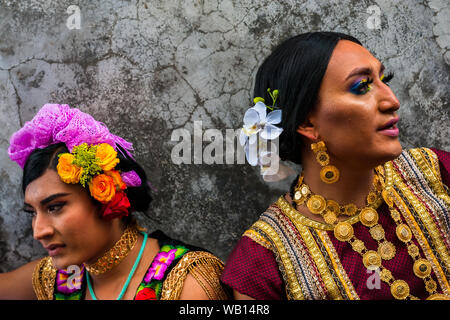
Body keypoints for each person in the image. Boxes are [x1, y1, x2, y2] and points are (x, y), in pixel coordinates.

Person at [221, 31, 450, 300]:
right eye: (362, 86)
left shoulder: (434, 171)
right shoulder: (263, 263)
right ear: (307, 123)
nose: (392, 100)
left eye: (384, 80)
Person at [0, 104, 229, 300]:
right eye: (33, 212)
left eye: (54, 207)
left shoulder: (189, 284)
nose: (38, 231)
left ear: (105, 195)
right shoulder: (61, 278)